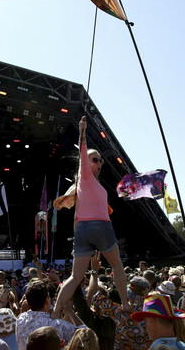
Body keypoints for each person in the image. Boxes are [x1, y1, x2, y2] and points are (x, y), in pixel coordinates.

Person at [52, 116, 130, 319]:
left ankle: (55, 311)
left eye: (100, 161)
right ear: (87, 162)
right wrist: (82, 131)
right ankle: (125, 303)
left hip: (82, 229)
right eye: (95, 160)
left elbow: (77, 215)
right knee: (116, 265)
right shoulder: (85, 176)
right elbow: (83, 149)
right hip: (100, 227)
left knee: (76, 276)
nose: (99, 163)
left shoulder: (85, 186)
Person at [16, 280, 84, 350]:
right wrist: (69, 311)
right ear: (46, 300)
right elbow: (87, 335)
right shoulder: (57, 325)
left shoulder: (20, 320)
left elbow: (33, 313)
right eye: (48, 296)